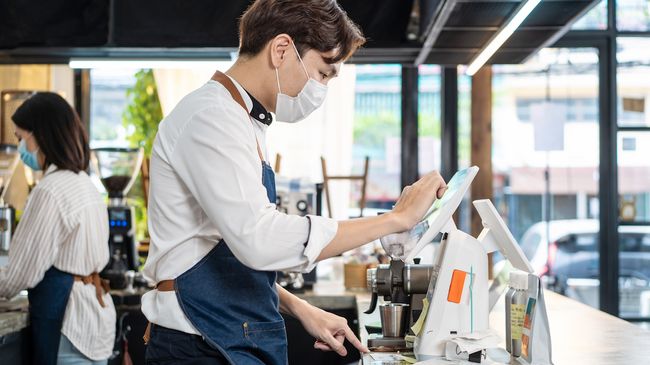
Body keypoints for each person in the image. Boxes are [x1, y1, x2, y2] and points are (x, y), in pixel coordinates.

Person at [141, 1, 447, 364]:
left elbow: (223, 251)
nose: (322, 89)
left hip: (224, 330)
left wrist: (299, 307)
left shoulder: (242, 119)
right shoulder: (212, 118)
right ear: (282, 49)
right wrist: (396, 219)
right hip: (201, 343)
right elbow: (258, 238)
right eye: (323, 73)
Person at [0, 92, 116, 365]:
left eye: (20, 138)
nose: (20, 148)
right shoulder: (86, 184)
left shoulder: (50, 191)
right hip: (95, 320)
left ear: (41, 136)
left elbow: (19, 275)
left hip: (68, 323)